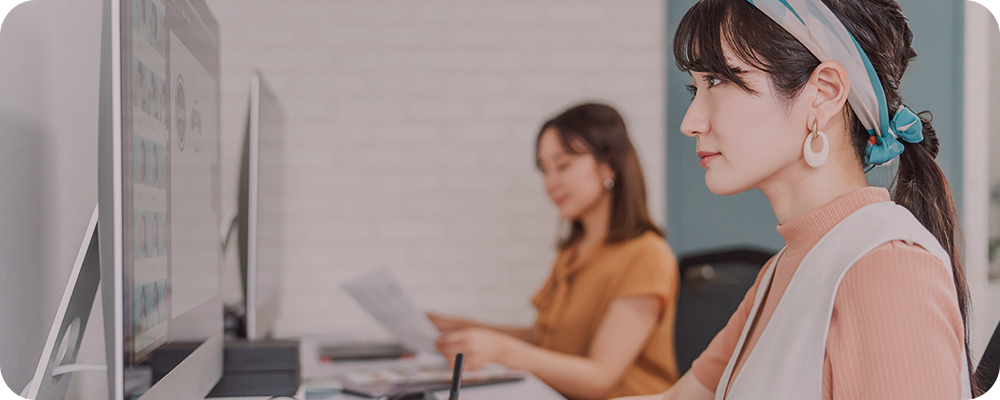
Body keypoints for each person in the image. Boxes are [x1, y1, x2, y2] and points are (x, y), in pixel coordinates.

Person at [617, 0, 974, 399]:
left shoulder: (887, 269)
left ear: (824, 92)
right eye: (694, 88)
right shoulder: (782, 268)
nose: (690, 122)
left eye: (717, 80)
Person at [430, 103, 681, 400]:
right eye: (544, 170)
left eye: (562, 166)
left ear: (608, 165)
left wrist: (501, 350)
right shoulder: (573, 251)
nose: (550, 183)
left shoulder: (646, 255)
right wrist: (459, 327)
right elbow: (546, 342)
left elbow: (600, 378)